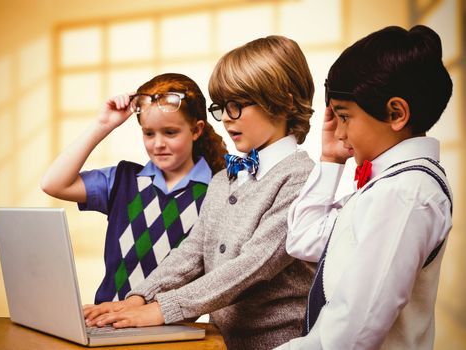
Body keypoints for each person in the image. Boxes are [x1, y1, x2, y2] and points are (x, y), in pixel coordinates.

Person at [83, 35, 317, 350]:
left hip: (275, 344)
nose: (227, 120)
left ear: (284, 102)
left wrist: (163, 308)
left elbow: (252, 266)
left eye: (237, 105)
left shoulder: (302, 178)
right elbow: (191, 252)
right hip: (220, 342)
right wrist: (141, 296)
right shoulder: (224, 179)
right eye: (222, 108)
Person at [278, 25, 453, 349]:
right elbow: (303, 240)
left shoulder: (403, 194)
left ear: (395, 113)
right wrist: (330, 158)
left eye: (344, 117)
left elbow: (349, 334)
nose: (339, 132)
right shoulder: (388, 185)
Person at [40, 73, 228, 304]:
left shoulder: (219, 191)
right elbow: (53, 183)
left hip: (170, 330)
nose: (158, 144)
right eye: (149, 133)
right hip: (107, 321)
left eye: (170, 132)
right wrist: (103, 124)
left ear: (196, 130)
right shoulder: (122, 180)